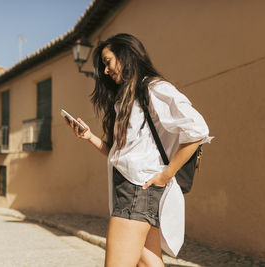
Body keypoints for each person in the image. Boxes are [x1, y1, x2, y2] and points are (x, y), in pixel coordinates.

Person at [64, 33, 212, 267]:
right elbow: (122, 156)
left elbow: (198, 130)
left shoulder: (153, 88)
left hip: (137, 192)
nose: (105, 70)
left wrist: (166, 174)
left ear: (126, 56)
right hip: (133, 190)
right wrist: (90, 137)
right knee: (149, 264)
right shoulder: (127, 98)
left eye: (108, 61)